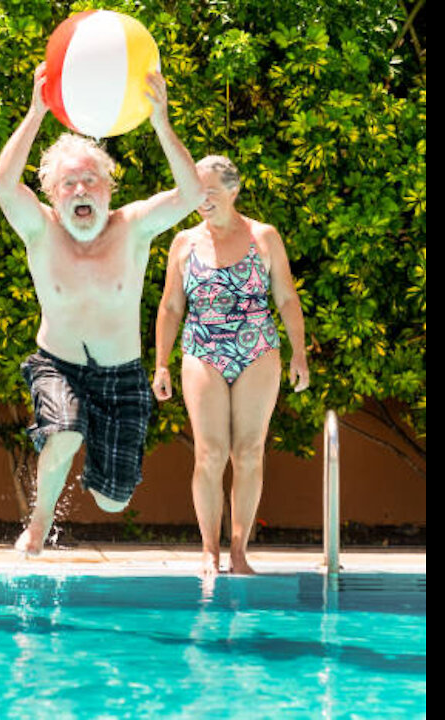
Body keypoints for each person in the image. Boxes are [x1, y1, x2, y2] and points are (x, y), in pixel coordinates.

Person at [0, 63, 203, 556]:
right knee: (63, 432)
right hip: (56, 363)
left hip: (122, 375)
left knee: (113, 500)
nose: (81, 190)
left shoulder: (134, 227)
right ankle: (40, 523)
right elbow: (3, 184)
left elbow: (191, 194)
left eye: (90, 180)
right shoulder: (40, 230)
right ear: (51, 195)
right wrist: (35, 112)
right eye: (68, 184)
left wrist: (160, 123)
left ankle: (96, 472)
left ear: (110, 187)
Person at [151, 155, 311, 576]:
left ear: (234, 191)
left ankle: (238, 550)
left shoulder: (264, 237)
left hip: (257, 347)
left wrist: (300, 353)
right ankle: (209, 549)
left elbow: (287, 298)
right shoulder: (184, 243)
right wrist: (161, 365)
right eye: (197, 192)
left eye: (212, 192)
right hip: (203, 348)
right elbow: (170, 306)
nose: (203, 200)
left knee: (249, 451)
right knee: (210, 452)